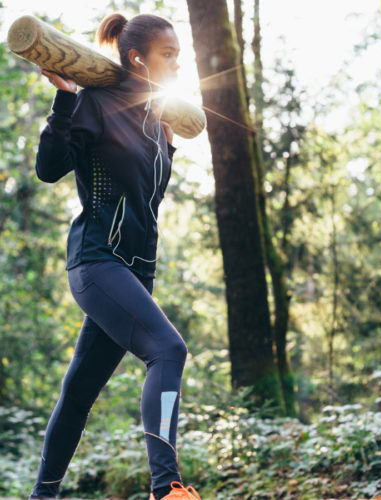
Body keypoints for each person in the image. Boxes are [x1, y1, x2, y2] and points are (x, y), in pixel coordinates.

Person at [29, 12, 201, 500]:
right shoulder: (96, 101)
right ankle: (166, 488)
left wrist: (168, 150)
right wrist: (64, 98)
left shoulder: (156, 118)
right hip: (97, 262)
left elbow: (147, 202)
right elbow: (48, 169)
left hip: (135, 273)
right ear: (136, 57)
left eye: (179, 56)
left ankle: (42, 497)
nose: (177, 64)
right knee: (168, 350)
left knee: (79, 394)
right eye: (168, 55)